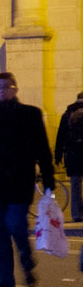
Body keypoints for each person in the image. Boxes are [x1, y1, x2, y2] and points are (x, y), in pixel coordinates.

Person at [0, 72, 57, 287]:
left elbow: (43, 151)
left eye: (6, 86)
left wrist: (49, 182)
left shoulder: (30, 115)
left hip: (20, 182)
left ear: (15, 89)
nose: (1, 91)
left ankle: (27, 261)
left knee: (16, 224)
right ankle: (5, 280)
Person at [53, 92, 83, 221]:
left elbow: (60, 136)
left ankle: (76, 214)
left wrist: (58, 156)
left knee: (75, 185)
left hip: (72, 155)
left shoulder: (67, 114)